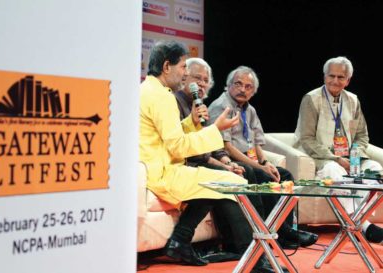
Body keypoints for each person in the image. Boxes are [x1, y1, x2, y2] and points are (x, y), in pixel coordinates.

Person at [140, 41, 287, 272]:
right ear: (167, 66)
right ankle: (256, 261)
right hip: (162, 172)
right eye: (182, 67)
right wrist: (215, 129)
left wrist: (192, 123)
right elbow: (177, 147)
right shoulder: (162, 96)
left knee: (219, 181)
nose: (185, 73)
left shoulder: (149, 90)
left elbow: (169, 137)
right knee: (233, 182)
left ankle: (180, 240)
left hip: (161, 167)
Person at [208, 65, 318, 248]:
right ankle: (281, 232)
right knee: (264, 176)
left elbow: (257, 142)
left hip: (250, 158)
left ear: (254, 91)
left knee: (285, 176)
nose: (243, 89)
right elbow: (225, 147)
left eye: (248, 86)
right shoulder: (221, 106)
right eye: (238, 84)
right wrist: (260, 167)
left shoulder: (249, 109)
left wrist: (266, 161)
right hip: (230, 159)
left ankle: (285, 232)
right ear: (228, 85)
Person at [294, 56, 383, 244]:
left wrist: (355, 157)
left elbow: (362, 135)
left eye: (340, 77)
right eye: (331, 76)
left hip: (350, 158)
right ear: (324, 76)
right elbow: (307, 139)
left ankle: (358, 220)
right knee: (335, 171)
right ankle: (363, 225)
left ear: (348, 80)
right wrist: (335, 158)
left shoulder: (352, 100)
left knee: (375, 170)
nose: (335, 81)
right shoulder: (312, 99)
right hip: (321, 156)